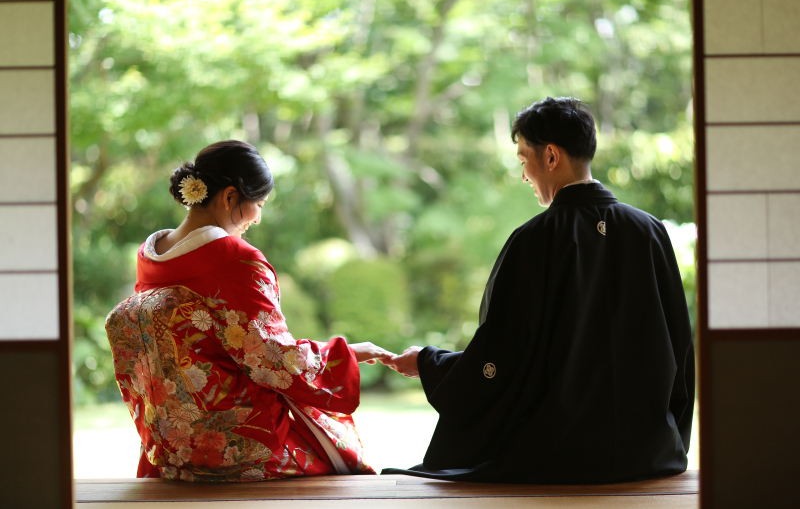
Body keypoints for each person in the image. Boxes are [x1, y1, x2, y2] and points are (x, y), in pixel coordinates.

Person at [382, 97, 695, 484]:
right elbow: (680, 347)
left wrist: (430, 364)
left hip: (561, 457)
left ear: (550, 157)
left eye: (522, 159)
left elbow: (503, 356)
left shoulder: (535, 240)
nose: (524, 174)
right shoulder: (650, 231)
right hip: (649, 455)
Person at [105, 140, 394, 482]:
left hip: (171, 450)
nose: (257, 218)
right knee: (342, 464)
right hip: (241, 448)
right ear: (230, 197)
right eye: (259, 204)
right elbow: (271, 358)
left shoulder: (151, 257)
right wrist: (345, 355)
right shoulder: (236, 260)